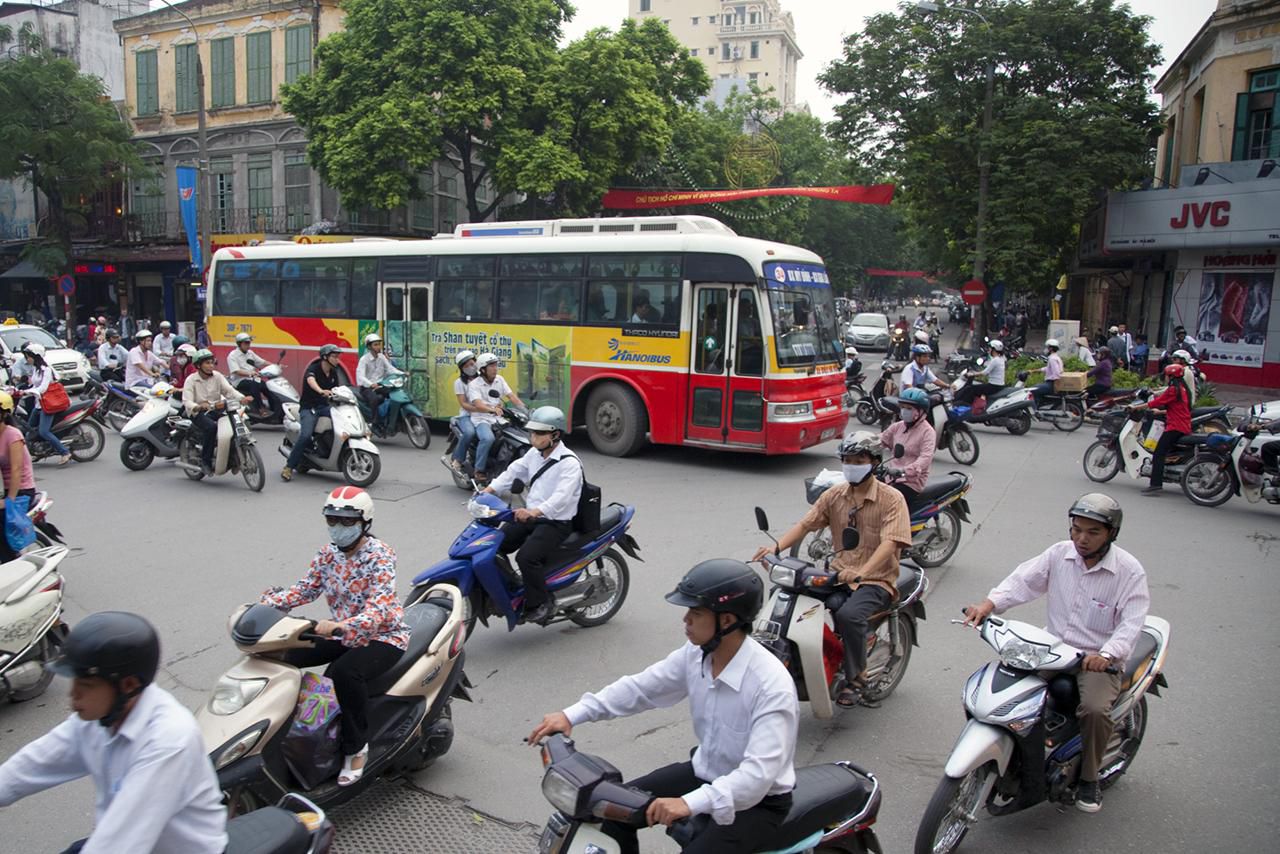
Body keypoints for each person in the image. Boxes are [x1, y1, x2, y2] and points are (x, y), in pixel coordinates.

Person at [527, 560, 798, 853]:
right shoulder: (697, 655)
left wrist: (687, 802)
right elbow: (641, 688)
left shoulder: (771, 686)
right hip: (703, 772)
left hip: (756, 803)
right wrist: (572, 714)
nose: (685, 620)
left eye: (695, 613)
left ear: (727, 620)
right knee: (611, 812)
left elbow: (757, 776)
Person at [962, 494, 1149, 814]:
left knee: (1092, 710)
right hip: (1052, 651)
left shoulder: (1129, 572)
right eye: (1076, 529)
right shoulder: (1059, 555)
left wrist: (1106, 654)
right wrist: (988, 606)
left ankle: (1089, 779)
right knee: (1004, 687)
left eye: (1092, 532)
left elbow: (1131, 624)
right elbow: (1022, 581)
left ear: (1111, 534)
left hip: (1096, 662)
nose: (1081, 539)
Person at [0, 611, 228, 852]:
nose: (73, 694)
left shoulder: (168, 741)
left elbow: (120, 841)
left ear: (128, 685)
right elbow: (34, 763)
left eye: (86, 685)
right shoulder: (94, 720)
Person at [260, 487, 409, 787]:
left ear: (364, 522)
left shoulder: (380, 556)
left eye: (346, 521)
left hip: (381, 636)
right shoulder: (328, 554)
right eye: (332, 520)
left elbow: (379, 607)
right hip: (340, 631)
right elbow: (307, 588)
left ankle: (356, 749)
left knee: (343, 672)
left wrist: (343, 626)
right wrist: (267, 605)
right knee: (278, 652)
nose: (338, 527)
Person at [751, 432, 911, 708]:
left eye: (858, 459)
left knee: (849, 615)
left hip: (876, 579)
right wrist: (775, 548)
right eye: (847, 460)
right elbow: (806, 525)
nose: (851, 465)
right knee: (785, 593)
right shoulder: (835, 494)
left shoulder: (892, 499)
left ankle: (856, 678)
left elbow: (890, 544)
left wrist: (863, 572)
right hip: (837, 573)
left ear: (873, 461)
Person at [484, 406, 582, 625]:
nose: (533, 437)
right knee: (495, 544)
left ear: (555, 434)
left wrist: (534, 511)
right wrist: (488, 490)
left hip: (556, 522)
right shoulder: (534, 454)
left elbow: (561, 498)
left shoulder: (569, 463)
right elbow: (513, 473)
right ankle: (512, 587)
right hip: (531, 516)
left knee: (527, 557)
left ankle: (539, 602)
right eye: (532, 432)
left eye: (539, 433)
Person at [182, 350, 251, 476]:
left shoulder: (217, 376)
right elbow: (187, 401)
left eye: (212, 363)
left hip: (217, 409)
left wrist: (242, 398)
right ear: (198, 365)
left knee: (237, 421)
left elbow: (229, 391)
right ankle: (206, 462)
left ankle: (232, 456)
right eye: (207, 363)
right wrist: (198, 406)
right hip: (199, 413)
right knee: (211, 428)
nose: (211, 366)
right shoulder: (191, 380)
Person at [282, 344, 345, 482]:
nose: (337, 360)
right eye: (334, 357)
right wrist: (321, 390)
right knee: (305, 436)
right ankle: (288, 467)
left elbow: (338, 390)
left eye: (337, 357)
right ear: (325, 357)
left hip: (324, 407)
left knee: (343, 422)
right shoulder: (313, 369)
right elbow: (311, 381)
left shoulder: (333, 372)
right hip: (309, 408)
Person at [1131, 364, 1191, 496]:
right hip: (1182, 424)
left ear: (1170, 376)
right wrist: (1161, 412)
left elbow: (1156, 402)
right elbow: (1177, 408)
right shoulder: (1182, 389)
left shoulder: (1173, 390)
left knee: (1159, 453)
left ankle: (1156, 484)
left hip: (1175, 426)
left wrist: (1136, 407)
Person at [466, 352, 526, 483]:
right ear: (482, 369)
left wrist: (525, 410)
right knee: (488, 438)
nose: (495, 368)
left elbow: (511, 396)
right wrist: (492, 410)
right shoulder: (474, 385)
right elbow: (478, 404)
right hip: (481, 419)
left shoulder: (499, 379)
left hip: (498, 418)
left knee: (514, 435)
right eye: (491, 366)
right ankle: (479, 470)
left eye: (495, 365)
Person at [879, 387, 936, 507]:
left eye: (909, 408)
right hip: (891, 476)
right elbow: (881, 439)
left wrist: (904, 470)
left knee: (886, 504)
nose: (904, 411)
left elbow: (925, 458)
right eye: (903, 407)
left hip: (911, 482)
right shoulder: (898, 426)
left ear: (920, 411)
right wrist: (861, 443)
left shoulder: (928, 432)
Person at [17, 344, 71, 465]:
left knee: (43, 431)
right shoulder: (36, 369)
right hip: (38, 405)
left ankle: (65, 452)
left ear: (35, 356)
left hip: (48, 405)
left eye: (28, 356)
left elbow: (42, 388)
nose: (27, 359)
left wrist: (27, 392)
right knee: (29, 430)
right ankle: (35, 453)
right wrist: (21, 391)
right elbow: (34, 386)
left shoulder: (46, 370)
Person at [0, 391, 37, 563]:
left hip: (21, 490)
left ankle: (10, 561)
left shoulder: (13, 435)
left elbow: (16, 469)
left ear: (4, 413)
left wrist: (9, 500)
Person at [445, 350, 481, 473]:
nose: (471, 367)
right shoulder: (459, 383)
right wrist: (479, 408)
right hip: (467, 416)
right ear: (461, 369)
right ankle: (457, 460)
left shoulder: (484, 378)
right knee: (470, 433)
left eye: (472, 363)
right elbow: (463, 404)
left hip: (486, 415)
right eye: (466, 366)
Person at [225, 333, 273, 418]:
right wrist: (250, 373)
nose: (248, 345)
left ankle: (274, 408)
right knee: (254, 385)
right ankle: (260, 408)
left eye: (249, 343)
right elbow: (236, 371)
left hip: (253, 379)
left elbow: (261, 362)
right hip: (239, 381)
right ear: (239, 344)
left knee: (265, 386)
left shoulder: (250, 353)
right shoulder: (232, 355)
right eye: (246, 343)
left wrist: (274, 366)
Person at [356, 333, 394, 431]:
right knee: (374, 399)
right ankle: (374, 423)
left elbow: (390, 369)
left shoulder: (382, 357)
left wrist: (403, 373)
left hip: (380, 385)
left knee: (394, 394)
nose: (378, 347)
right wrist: (371, 384)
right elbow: (360, 376)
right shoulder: (364, 360)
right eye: (375, 345)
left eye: (379, 344)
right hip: (367, 388)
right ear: (369, 347)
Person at [953, 340, 1006, 406]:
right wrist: (975, 372)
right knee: (976, 388)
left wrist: (972, 374)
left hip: (993, 386)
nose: (988, 350)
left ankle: (966, 406)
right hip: (998, 385)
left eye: (990, 348)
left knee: (971, 389)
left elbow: (985, 373)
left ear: (994, 349)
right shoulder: (1001, 359)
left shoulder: (995, 360)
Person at [1029, 338, 1064, 409]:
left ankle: (1035, 409)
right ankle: (1041, 406)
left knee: (1032, 390)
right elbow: (1047, 369)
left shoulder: (1052, 359)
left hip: (1051, 384)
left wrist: (1055, 388)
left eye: (1047, 347)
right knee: (1037, 387)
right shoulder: (1056, 357)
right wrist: (1034, 371)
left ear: (1050, 348)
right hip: (1051, 383)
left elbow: (1056, 373)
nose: (1046, 349)